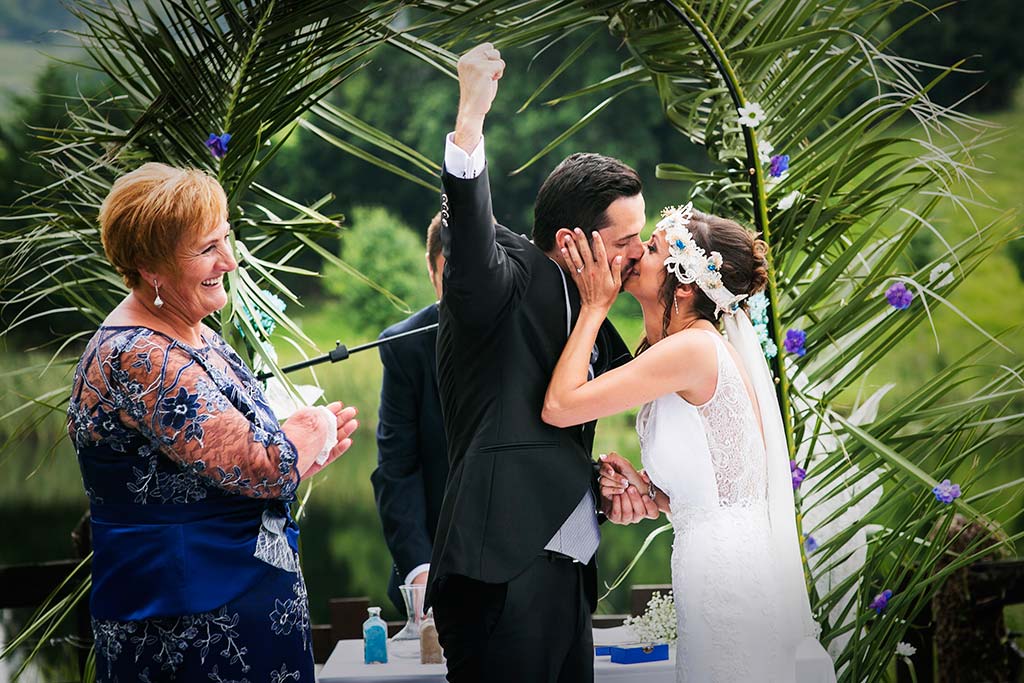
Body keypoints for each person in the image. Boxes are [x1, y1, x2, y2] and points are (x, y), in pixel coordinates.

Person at [66, 162, 359, 681]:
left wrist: (299, 463)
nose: (229, 260)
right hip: (187, 626)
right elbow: (258, 462)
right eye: (207, 249)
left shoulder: (193, 331)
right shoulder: (138, 353)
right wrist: (299, 439)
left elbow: (222, 473)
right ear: (152, 269)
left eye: (227, 238)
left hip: (236, 602)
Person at [428, 43, 659, 683]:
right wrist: (470, 118)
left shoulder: (598, 316)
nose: (636, 253)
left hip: (569, 571)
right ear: (570, 242)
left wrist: (603, 484)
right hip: (500, 568)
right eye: (624, 241)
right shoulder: (504, 277)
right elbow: (469, 233)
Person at [543, 205, 837, 681]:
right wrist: (647, 493)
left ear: (682, 285)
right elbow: (718, 488)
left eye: (653, 248)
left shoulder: (694, 348)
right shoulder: (684, 349)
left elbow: (559, 406)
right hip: (710, 570)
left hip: (728, 580)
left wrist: (595, 306)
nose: (637, 252)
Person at [371, 212, 448, 614]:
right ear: (432, 270)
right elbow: (396, 468)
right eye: (449, 272)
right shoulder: (403, 347)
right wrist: (419, 571)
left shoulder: (527, 330)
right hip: (437, 568)